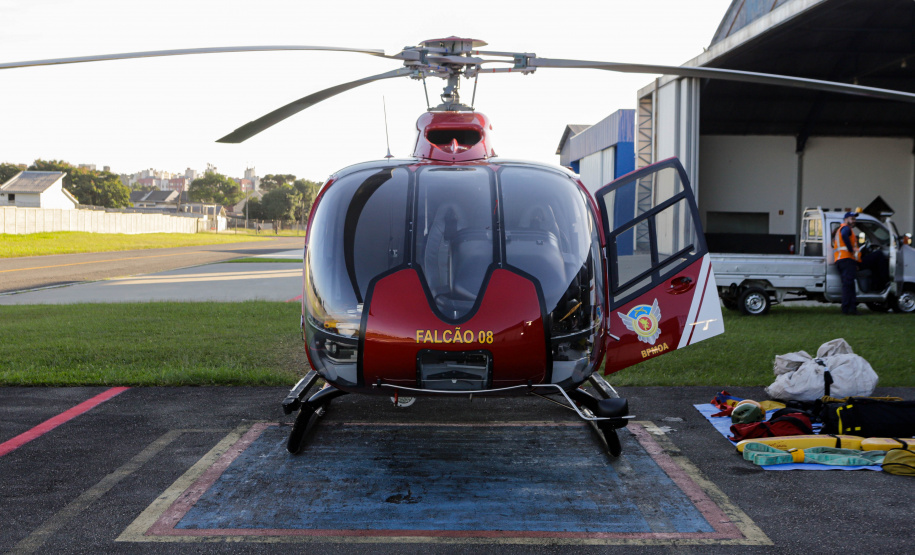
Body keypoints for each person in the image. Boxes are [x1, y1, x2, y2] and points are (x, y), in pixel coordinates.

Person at [833, 211, 861, 315]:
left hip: (844, 260)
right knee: (848, 285)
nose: (854, 221)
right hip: (846, 259)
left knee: (849, 285)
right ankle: (847, 309)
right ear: (846, 219)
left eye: (854, 219)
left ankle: (851, 308)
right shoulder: (846, 228)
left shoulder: (842, 229)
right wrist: (850, 249)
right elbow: (845, 236)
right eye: (852, 218)